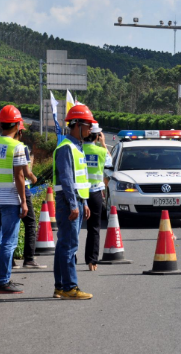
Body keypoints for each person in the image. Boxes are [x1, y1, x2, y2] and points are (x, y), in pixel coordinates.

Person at [0, 105, 28, 294]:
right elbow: (19, 177)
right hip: (10, 200)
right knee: (8, 242)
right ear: (18, 125)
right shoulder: (17, 146)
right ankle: (2, 281)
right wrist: (24, 201)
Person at [52, 105, 93, 300]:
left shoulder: (77, 147)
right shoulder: (66, 148)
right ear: (77, 125)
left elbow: (79, 179)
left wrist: (83, 202)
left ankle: (61, 286)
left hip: (75, 200)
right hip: (67, 202)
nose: (90, 129)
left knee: (63, 246)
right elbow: (67, 179)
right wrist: (73, 204)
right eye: (88, 125)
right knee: (69, 246)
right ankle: (69, 287)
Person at [13, 120, 46, 269]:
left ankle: (10, 260)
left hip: (4, 190)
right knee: (30, 223)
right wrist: (34, 178)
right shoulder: (21, 147)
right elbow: (25, 172)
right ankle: (29, 258)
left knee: (10, 227)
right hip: (22, 190)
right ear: (19, 132)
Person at [82, 123, 112, 271]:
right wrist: (104, 144)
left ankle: (71, 257)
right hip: (94, 193)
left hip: (78, 192)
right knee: (94, 228)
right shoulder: (101, 151)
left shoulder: (78, 149)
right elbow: (110, 165)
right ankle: (91, 261)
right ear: (97, 135)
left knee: (73, 227)